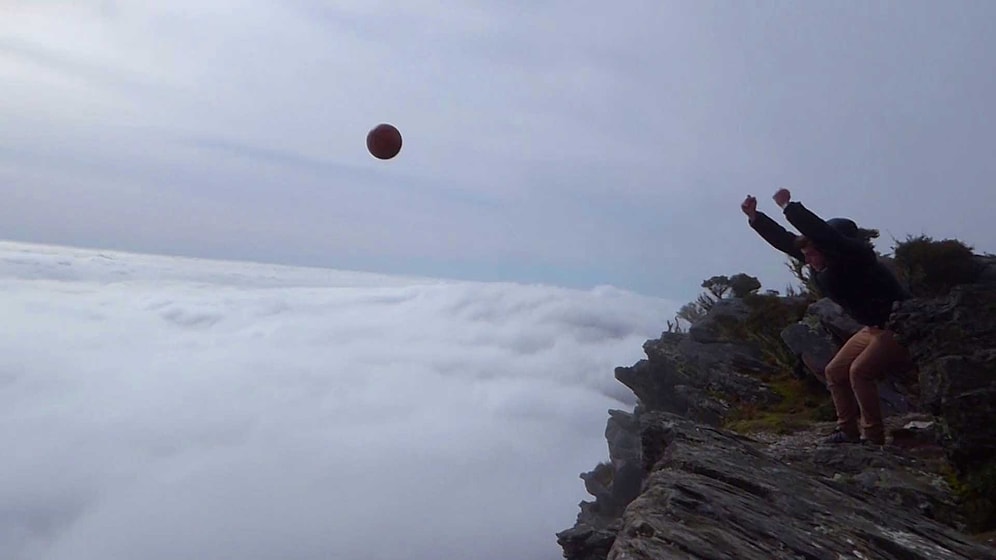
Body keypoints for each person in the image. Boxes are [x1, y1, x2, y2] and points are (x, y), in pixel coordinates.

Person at [741, 188, 912, 445]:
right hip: (872, 329)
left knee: (859, 372)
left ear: (829, 248)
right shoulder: (817, 257)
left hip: (898, 326)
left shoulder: (857, 258)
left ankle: (873, 436)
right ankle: (847, 430)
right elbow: (786, 241)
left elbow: (829, 238)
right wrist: (756, 217)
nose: (807, 259)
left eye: (813, 252)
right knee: (834, 371)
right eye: (806, 254)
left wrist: (790, 207)